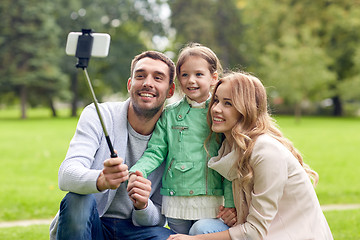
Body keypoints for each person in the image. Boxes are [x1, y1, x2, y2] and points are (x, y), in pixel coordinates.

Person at [168, 71, 333, 240]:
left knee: (200, 233)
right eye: (216, 100)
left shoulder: (266, 152)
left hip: (291, 235)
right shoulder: (229, 147)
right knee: (204, 227)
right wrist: (232, 212)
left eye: (228, 104)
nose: (216, 109)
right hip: (265, 232)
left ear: (246, 109)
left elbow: (255, 232)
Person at [49, 50, 177, 240]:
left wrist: (143, 205)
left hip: (137, 231)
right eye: (140, 76)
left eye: (158, 78)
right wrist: (100, 180)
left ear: (170, 90)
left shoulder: (176, 136)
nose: (147, 83)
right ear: (129, 84)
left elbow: (159, 217)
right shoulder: (98, 114)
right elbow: (66, 174)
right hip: (93, 225)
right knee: (77, 198)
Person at [128, 43, 236, 235]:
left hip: (211, 199)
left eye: (198, 74)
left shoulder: (219, 114)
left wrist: (230, 203)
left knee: (201, 233)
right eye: (184, 74)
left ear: (213, 78)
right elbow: (155, 151)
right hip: (175, 198)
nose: (191, 80)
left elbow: (228, 162)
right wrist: (138, 170)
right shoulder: (169, 114)